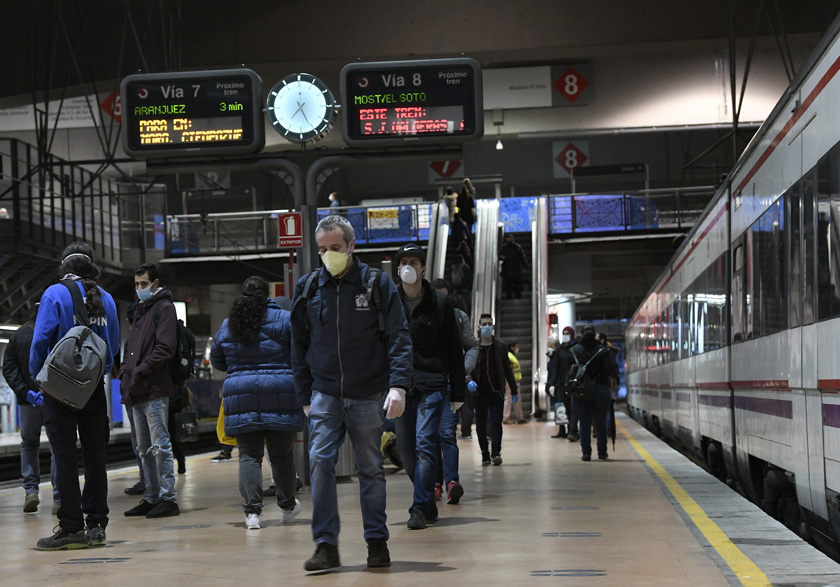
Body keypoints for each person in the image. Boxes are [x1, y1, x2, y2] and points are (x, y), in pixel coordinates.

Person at [291, 214, 412, 572]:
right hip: (324, 393)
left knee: (371, 469)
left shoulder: (376, 285)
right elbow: (298, 345)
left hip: (368, 392)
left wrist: (399, 385)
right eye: (323, 250)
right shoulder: (309, 288)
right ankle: (326, 545)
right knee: (319, 463)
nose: (329, 255)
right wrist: (304, 395)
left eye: (336, 248)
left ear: (352, 246)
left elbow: (399, 337)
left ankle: (376, 540)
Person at [29, 242, 119, 550]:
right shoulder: (106, 299)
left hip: (58, 390)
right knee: (95, 456)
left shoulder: (55, 293)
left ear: (65, 267)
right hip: (93, 391)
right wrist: (94, 374)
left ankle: (70, 527)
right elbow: (112, 348)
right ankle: (97, 525)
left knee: (64, 457)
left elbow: (41, 340)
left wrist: (38, 375)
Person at [211, 275, 304, 530]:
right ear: (268, 295)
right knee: (281, 455)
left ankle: (252, 513)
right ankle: (286, 505)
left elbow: (218, 360)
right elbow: (299, 353)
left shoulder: (229, 324)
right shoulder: (285, 319)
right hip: (280, 392)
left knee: (249, 456)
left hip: (242, 395)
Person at [394, 244, 466, 530]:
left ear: (423, 268)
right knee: (406, 453)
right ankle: (426, 503)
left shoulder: (440, 302)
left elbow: (453, 348)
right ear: (398, 269)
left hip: (433, 383)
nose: (408, 267)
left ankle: (418, 508)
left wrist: (457, 392)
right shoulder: (389, 302)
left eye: (414, 262)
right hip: (400, 386)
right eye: (404, 262)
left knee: (425, 443)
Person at [118, 263, 181, 519]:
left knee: (160, 446)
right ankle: (151, 496)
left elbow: (165, 348)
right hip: (136, 390)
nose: (139, 289)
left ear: (155, 284)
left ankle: (168, 497)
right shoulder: (141, 312)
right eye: (136, 284)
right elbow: (130, 349)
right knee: (143, 448)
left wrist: (140, 370)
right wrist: (125, 371)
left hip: (154, 389)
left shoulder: (164, 308)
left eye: (143, 284)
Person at [2, 306, 60, 514]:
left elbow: (8, 368)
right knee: (57, 447)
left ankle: (31, 491)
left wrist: (25, 392)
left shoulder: (18, 337)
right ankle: (59, 497)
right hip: (54, 400)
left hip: (28, 402)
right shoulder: (56, 332)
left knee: (29, 444)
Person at [431, 278, 478, 505]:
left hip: (449, 384)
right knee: (429, 437)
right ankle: (435, 483)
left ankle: (451, 482)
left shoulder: (459, 317)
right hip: (426, 385)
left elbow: (472, 345)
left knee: (447, 434)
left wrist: (462, 369)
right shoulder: (421, 315)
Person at [470, 313, 517, 465]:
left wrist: (514, 389)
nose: (487, 327)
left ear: (493, 326)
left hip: (496, 391)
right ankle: (484, 453)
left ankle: (496, 452)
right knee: (481, 425)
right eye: (484, 324)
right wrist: (469, 381)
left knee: (497, 422)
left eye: (489, 324)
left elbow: (507, 369)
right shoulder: (474, 348)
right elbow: (467, 369)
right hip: (479, 393)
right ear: (479, 327)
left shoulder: (501, 347)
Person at [572, 325, 619, 461]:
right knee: (600, 423)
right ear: (595, 335)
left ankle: (586, 452)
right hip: (601, 389)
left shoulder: (575, 350)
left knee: (584, 422)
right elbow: (612, 370)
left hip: (581, 390)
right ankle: (602, 452)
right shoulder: (603, 350)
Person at [119, 303, 146, 495]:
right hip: (148, 392)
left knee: (140, 442)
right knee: (152, 441)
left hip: (135, 394)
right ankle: (152, 481)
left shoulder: (133, 339)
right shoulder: (148, 335)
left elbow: (126, 365)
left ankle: (147, 481)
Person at [547, 326, 580, 440]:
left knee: (572, 407)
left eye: (567, 333)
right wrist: (552, 384)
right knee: (561, 406)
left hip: (573, 384)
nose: (565, 335)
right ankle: (562, 430)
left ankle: (572, 430)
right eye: (563, 333)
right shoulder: (559, 350)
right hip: (561, 383)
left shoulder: (576, 348)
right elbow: (555, 367)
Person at [503, 341, 527, 424]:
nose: (517, 348)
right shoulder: (509, 356)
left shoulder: (512, 355)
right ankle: (505, 418)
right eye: (516, 346)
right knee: (508, 399)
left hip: (515, 381)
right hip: (510, 382)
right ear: (512, 347)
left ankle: (520, 417)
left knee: (517, 400)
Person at [499, 233, 529, 299]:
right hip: (510, 269)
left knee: (515, 284)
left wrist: (525, 266)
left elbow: (522, 257)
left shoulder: (516, 247)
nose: (509, 239)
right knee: (509, 284)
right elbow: (499, 257)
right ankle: (512, 296)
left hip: (513, 268)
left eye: (510, 238)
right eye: (508, 238)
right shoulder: (507, 247)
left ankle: (515, 296)